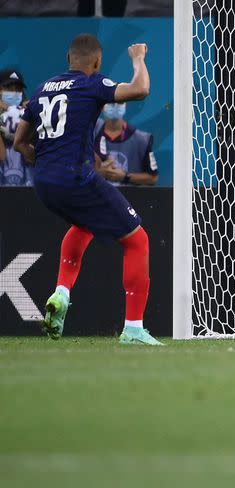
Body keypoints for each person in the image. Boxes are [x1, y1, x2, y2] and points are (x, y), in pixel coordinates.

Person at [12, 33, 162, 345]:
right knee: (138, 240)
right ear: (96, 63)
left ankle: (61, 293)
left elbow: (20, 142)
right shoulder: (91, 83)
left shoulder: (41, 90)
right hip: (75, 178)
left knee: (85, 224)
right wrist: (137, 58)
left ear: (68, 60)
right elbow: (141, 89)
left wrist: (37, 159)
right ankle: (133, 328)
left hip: (43, 183)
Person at [94, 102, 159, 186]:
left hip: (129, 198)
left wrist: (125, 177)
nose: (115, 106)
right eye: (110, 102)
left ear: (125, 105)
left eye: (119, 102)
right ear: (102, 107)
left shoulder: (142, 140)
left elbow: (153, 178)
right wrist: (96, 173)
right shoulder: (91, 133)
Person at [0, 68, 32, 185]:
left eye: (18, 89)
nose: (13, 93)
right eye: (8, 88)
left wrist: (30, 118)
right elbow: (1, 156)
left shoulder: (29, 116)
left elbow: (32, 158)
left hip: (27, 190)